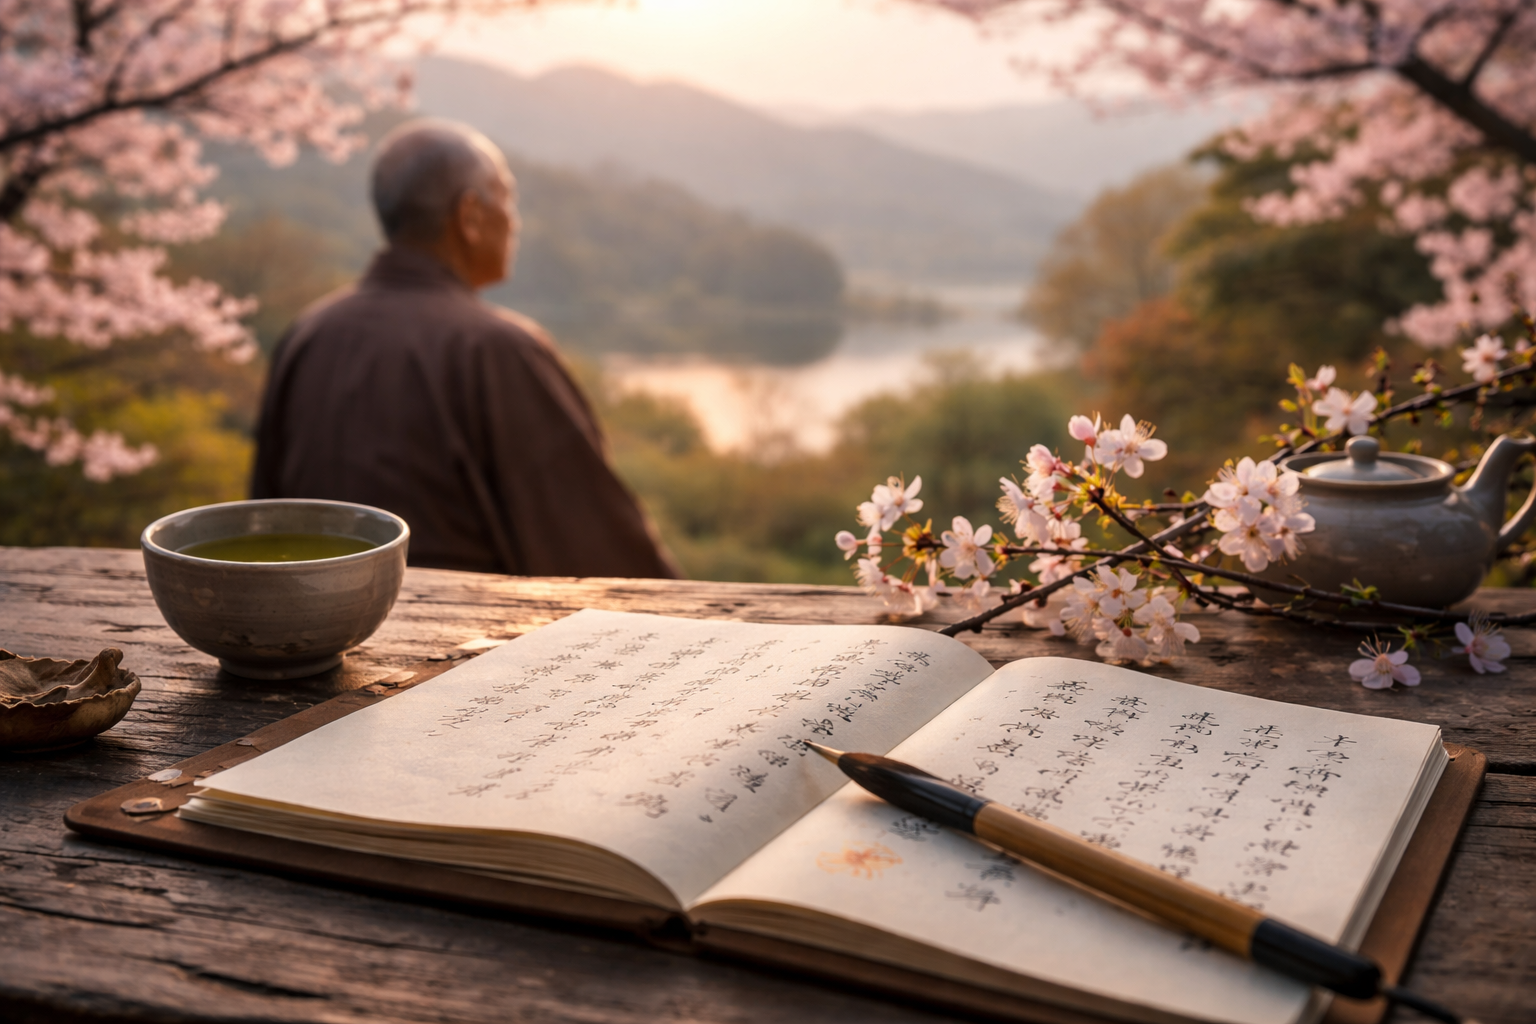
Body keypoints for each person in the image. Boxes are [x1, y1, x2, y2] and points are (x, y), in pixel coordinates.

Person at [251, 120, 679, 578]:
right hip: (465, 638)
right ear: (470, 216)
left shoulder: (307, 333)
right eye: (508, 198)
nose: (515, 220)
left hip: (322, 633)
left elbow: (264, 521)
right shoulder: (499, 349)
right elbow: (598, 545)